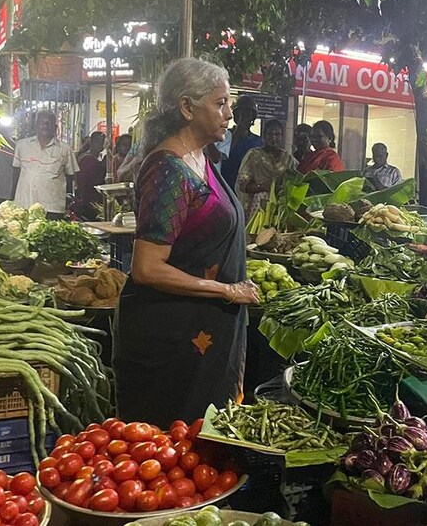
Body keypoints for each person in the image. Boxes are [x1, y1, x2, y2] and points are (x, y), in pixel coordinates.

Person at [114, 57, 260, 426]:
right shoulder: (168, 169)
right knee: (171, 450)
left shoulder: (199, 158)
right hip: (171, 341)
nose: (230, 113)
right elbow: (147, 268)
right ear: (186, 107)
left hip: (200, 334)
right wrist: (225, 290)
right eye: (220, 103)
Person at [13, 109, 79, 218]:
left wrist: (67, 199)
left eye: (50, 123)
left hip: (52, 207)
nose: (45, 125)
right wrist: (12, 198)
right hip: (25, 205)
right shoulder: (22, 146)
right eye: (42, 122)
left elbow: (71, 176)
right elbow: (16, 172)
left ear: (55, 127)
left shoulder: (65, 149)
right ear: (35, 126)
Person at [235, 119, 297, 220]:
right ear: (264, 135)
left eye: (277, 134)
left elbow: (295, 183)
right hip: (258, 206)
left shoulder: (288, 159)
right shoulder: (253, 155)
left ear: (282, 136)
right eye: (270, 134)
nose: (274, 138)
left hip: (281, 208)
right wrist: (262, 187)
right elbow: (242, 184)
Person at [211, 95, 263, 189]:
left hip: (247, 189)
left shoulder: (258, 141)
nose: (244, 117)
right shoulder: (225, 135)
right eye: (241, 114)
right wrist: (239, 129)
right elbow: (220, 156)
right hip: (225, 184)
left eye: (248, 114)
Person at [72, 131, 107, 221]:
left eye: (102, 142)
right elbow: (88, 183)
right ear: (91, 142)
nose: (100, 145)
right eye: (97, 141)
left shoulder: (93, 158)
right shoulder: (88, 160)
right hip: (88, 200)